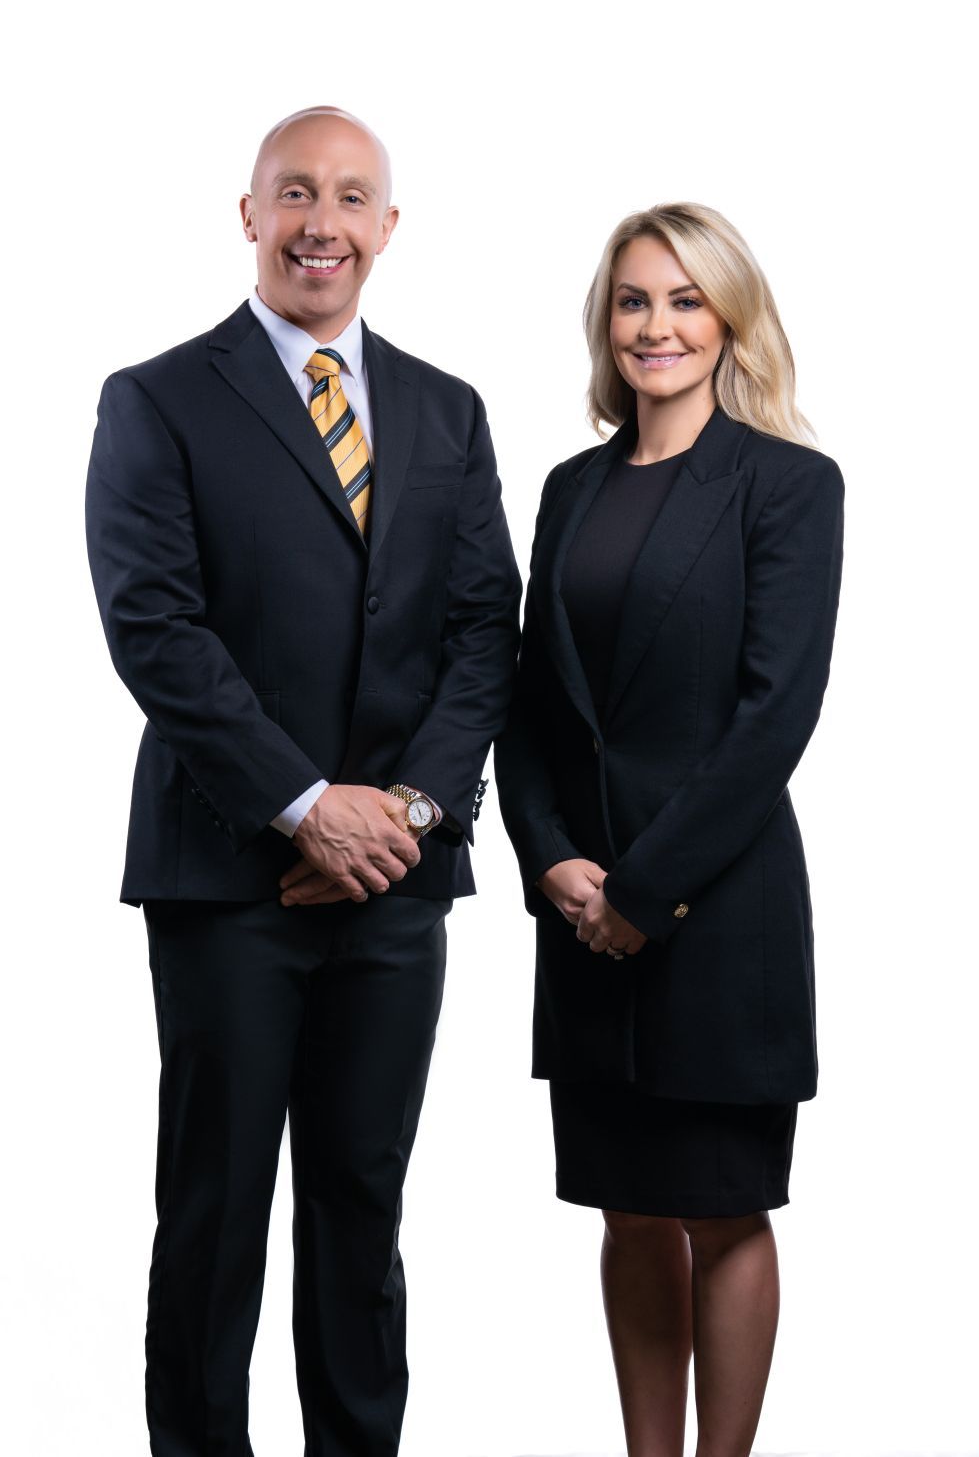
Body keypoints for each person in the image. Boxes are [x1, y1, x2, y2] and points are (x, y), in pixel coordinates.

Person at [85, 106, 521, 1457]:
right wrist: (303, 804)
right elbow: (154, 625)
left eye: (349, 197)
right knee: (214, 1210)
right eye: (295, 194)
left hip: (397, 880)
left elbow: (482, 627)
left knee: (361, 1205)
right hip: (228, 872)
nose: (320, 221)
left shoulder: (448, 411)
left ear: (388, 228)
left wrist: (408, 811)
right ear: (250, 214)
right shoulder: (157, 399)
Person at [495, 203, 844, 1457]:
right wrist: (554, 865)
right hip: (583, 912)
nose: (657, 326)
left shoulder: (790, 486)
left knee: (725, 1208)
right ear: (608, 322)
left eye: (685, 300)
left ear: (729, 317)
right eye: (635, 300)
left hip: (715, 907)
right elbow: (529, 702)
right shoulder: (568, 489)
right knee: (629, 1211)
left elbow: (775, 714)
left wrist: (644, 888)